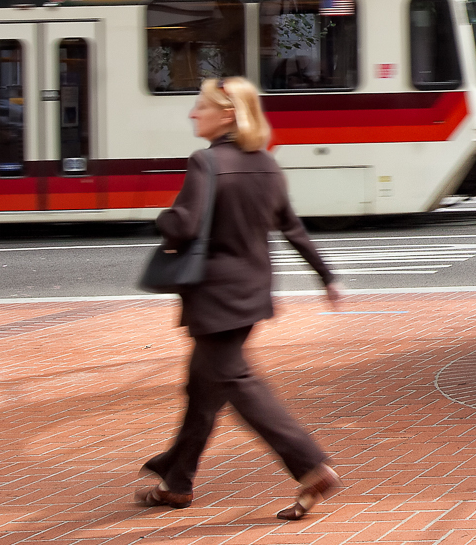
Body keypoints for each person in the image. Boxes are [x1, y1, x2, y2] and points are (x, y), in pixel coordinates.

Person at [135, 76, 347, 520]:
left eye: (201, 107)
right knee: (202, 386)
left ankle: (311, 466)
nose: (194, 114)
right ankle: (176, 480)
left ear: (227, 114)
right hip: (251, 293)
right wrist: (326, 276)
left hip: (214, 296)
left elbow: (184, 225)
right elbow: (292, 228)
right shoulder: (267, 164)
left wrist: (164, 217)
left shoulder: (205, 162)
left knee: (235, 381)